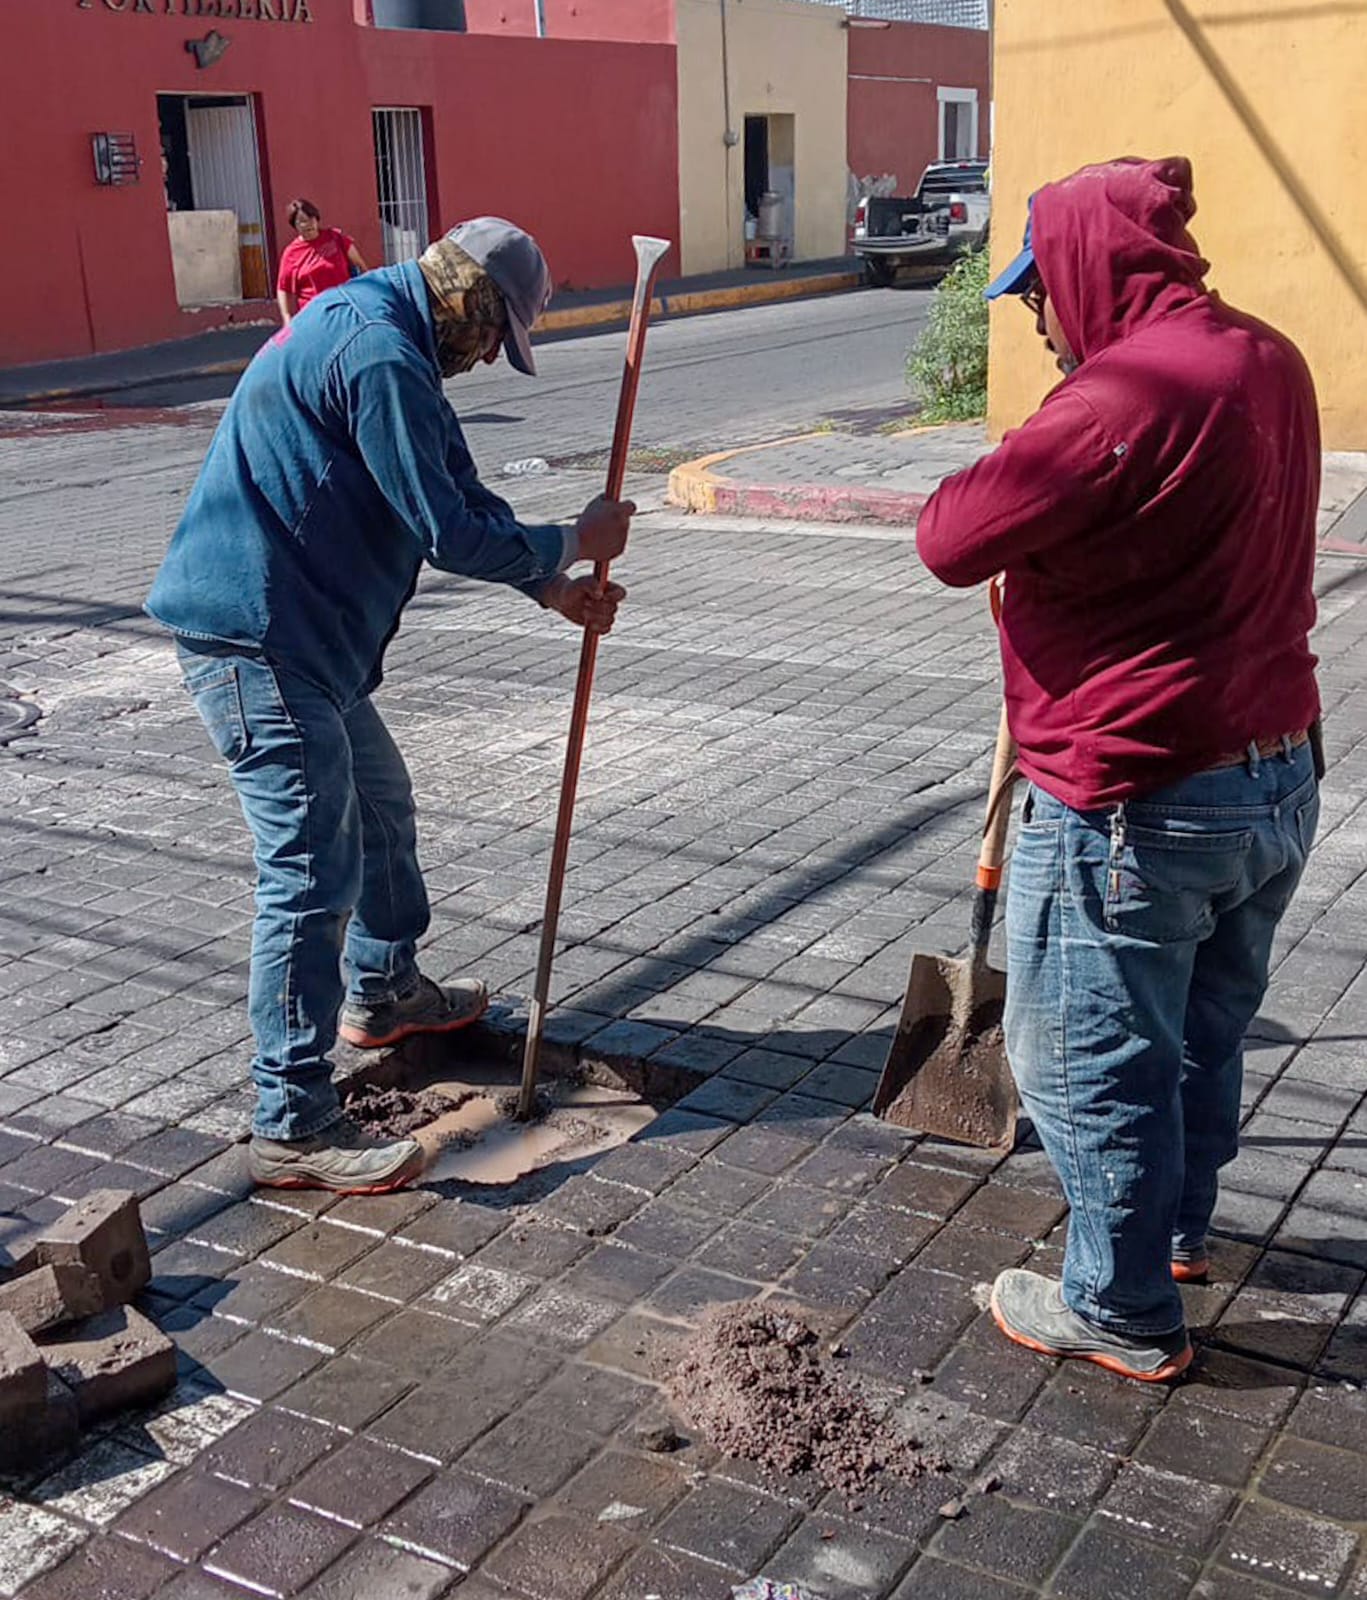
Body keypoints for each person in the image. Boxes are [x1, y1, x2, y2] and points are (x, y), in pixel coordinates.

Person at [916, 157, 1321, 1382]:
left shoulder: (1119, 397)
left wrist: (1030, 466)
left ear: (1089, 269)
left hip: (1134, 801)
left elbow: (946, 535)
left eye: (1039, 294)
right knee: (1202, 1029)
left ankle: (1118, 1304)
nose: (1037, 321)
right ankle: (1175, 1233)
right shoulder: (1268, 358)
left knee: (1084, 1057)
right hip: (1271, 780)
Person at [147, 217, 632, 1196]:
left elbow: (452, 488)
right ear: (470, 300)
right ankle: (289, 1120)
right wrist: (569, 540)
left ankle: (383, 990)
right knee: (310, 870)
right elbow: (447, 530)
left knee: (380, 806)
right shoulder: (379, 353)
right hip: (259, 639)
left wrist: (545, 581)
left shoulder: (386, 335)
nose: (492, 355)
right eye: (497, 334)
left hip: (300, 641)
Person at [276, 199, 368, 324]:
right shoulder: (291, 253)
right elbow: (283, 288)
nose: (308, 224)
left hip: (344, 309)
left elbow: (360, 265)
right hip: (314, 316)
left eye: (311, 218)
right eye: (302, 221)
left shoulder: (335, 238)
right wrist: (286, 317)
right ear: (294, 225)